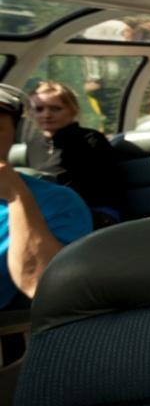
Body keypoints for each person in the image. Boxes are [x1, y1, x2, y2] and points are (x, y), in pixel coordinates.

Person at [0, 84, 91, 311]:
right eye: (39, 109)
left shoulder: (57, 203)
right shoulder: (36, 147)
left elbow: (44, 287)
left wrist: (17, 196)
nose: (47, 115)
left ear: (15, 132)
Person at [24, 81, 123, 228]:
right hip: (51, 210)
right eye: (39, 109)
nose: (47, 115)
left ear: (72, 110)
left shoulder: (91, 140)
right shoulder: (34, 144)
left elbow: (100, 187)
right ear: (31, 113)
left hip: (94, 211)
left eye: (55, 109)